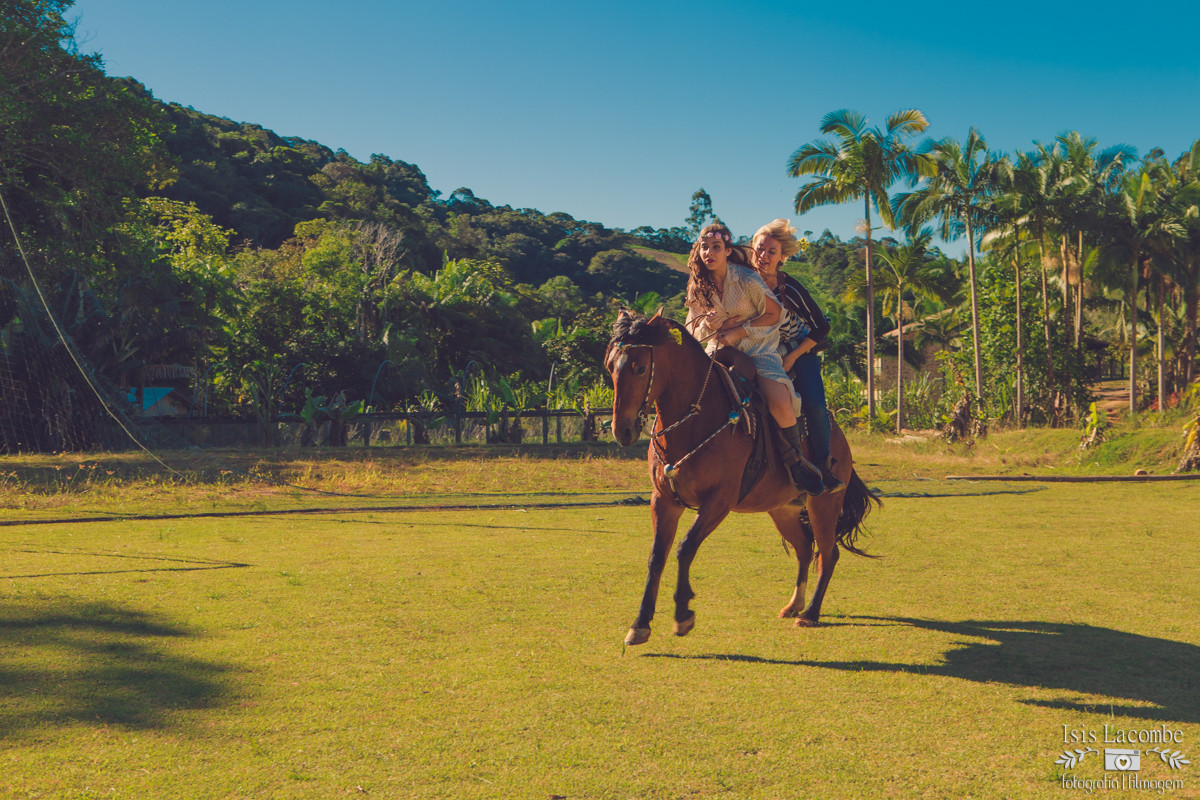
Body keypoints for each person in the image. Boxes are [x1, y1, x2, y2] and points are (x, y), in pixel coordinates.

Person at [683, 222, 824, 495]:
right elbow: (692, 332)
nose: (709, 253)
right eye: (705, 247)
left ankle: (796, 464)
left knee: (780, 401)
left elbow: (776, 314)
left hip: (758, 350)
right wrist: (709, 326)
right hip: (716, 352)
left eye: (716, 247)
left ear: (728, 251)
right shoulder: (697, 287)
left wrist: (740, 330)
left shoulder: (747, 279)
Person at [751, 219, 844, 493]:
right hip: (757, 349)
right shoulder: (742, 280)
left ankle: (823, 466)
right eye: (760, 249)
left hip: (797, 349)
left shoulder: (789, 288)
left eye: (771, 252)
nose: (763, 256)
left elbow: (822, 326)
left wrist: (793, 357)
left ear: (782, 257)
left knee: (814, 404)